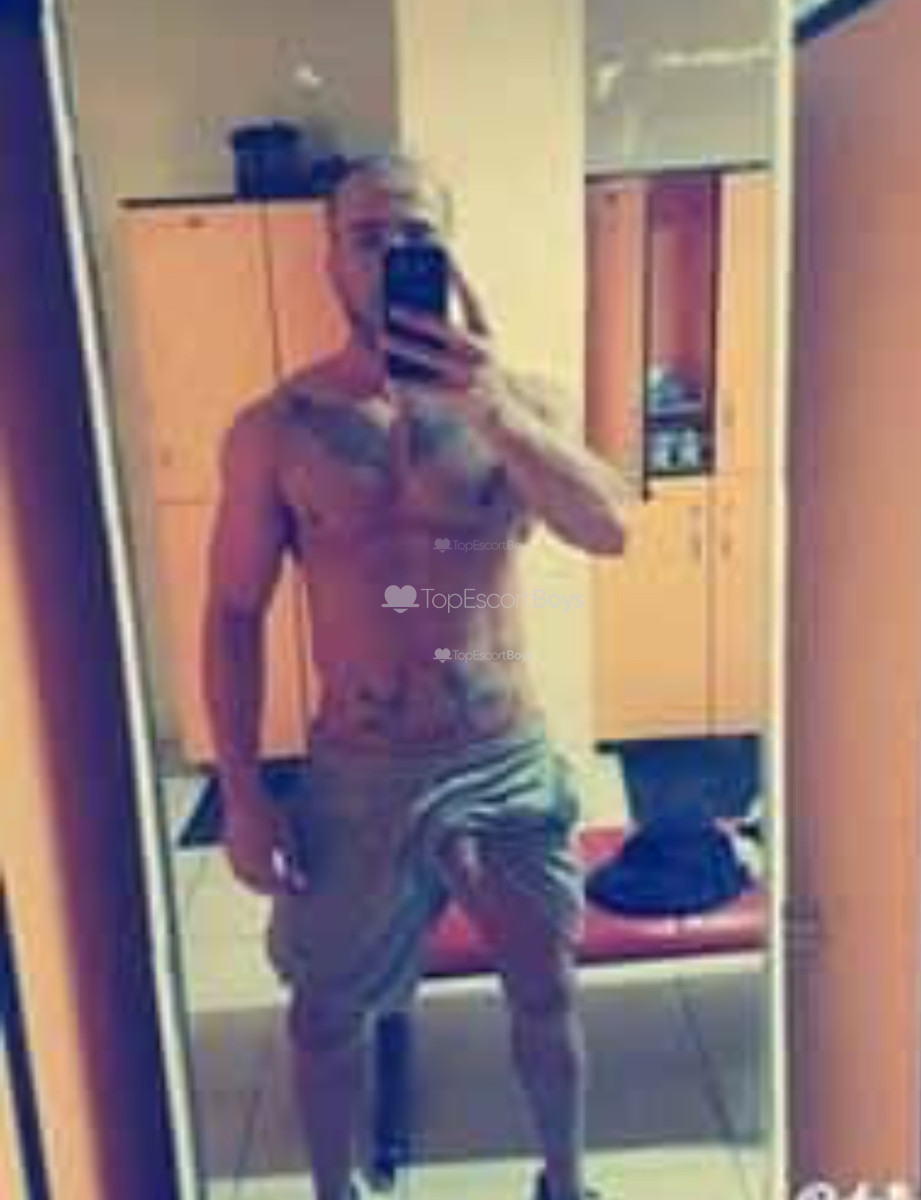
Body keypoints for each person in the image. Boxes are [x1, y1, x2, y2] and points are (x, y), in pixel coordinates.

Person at [201, 151, 630, 1200]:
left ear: (447, 249)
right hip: (358, 768)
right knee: (325, 1012)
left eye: (416, 235)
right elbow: (234, 612)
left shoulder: (522, 404)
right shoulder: (274, 431)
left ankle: (566, 1183)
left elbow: (607, 528)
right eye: (367, 236)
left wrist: (491, 408)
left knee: (545, 991)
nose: (392, 252)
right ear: (330, 258)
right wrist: (244, 795)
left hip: (502, 758)